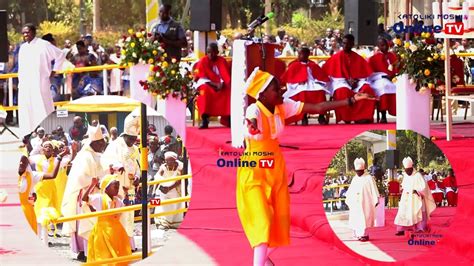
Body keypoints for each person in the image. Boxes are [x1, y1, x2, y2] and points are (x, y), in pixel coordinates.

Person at [236, 67, 375, 265]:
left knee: (279, 224)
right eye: (276, 89)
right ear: (262, 93)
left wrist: (352, 100)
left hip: (275, 168)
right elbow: (249, 122)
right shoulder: (255, 109)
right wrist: (251, 126)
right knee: (262, 221)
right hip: (254, 170)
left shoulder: (282, 106)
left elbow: (318, 108)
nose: (282, 91)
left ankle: (264, 259)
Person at [61, 125, 108, 262]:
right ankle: (86, 251)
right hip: (85, 194)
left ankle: (92, 249)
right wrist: (95, 182)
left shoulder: (96, 155)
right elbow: (79, 177)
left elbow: (101, 172)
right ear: (94, 142)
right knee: (87, 223)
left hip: (96, 193)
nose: (103, 145)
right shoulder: (85, 156)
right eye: (101, 142)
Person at [17, 23, 66, 137]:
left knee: (43, 107)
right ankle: (28, 135)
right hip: (25, 85)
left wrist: (54, 70)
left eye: (27, 32)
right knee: (27, 109)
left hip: (40, 83)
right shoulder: (23, 48)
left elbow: (60, 55)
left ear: (34, 32)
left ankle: (47, 133)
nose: (25, 35)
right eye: (23, 33)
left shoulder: (43, 45)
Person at [101, 113, 140, 250]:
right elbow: (106, 160)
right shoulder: (115, 145)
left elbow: (138, 165)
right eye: (131, 139)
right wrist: (117, 165)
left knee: (129, 215)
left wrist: (137, 177)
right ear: (125, 135)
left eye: (135, 139)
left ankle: (128, 244)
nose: (133, 141)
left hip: (130, 188)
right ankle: (118, 244)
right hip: (117, 186)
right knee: (118, 215)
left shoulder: (135, 149)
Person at [323, 34, 376, 124]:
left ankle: (362, 116)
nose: (345, 46)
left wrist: (357, 80)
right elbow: (331, 74)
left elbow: (363, 74)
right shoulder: (336, 57)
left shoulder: (358, 57)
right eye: (343, 43)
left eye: (347, 44)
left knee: (367, 89)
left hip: (357, 82)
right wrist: (346, 80)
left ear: (352, 44)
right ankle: (346, 117)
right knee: (342, 91)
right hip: (340, 82)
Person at [18, 148, 69, 237]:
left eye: (24, 161)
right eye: (20, 161)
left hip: (28, 209)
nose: (21, 163)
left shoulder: (32, 175)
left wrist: (60, 157)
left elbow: (52, 175)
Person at [82, 175, 131, 264]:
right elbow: (85, 198)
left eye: (118, 186)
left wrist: (126, 194)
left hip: (116, 232)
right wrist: (92, 185)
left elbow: (125, 207)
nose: (117, 188)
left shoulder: (118, 200)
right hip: (102, 232)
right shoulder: (100, 198)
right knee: (104, 257)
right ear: (106, 188)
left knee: (116, 256)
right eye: (115, 186)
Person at [281, 46, 330, 125]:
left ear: (307, 54)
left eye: (301, 54)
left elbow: (321, 77)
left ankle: (321, 115)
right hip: (298, 86)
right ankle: (303, 116)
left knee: (320, 91)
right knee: (302, 92)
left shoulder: (313, 65)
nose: (299, 55)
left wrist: (317, 82)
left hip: (312, 84)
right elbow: (289, 81)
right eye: (299, 53)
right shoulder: (293, 65)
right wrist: (297, 82)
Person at [394, 157, 436, 235]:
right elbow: (404, 185)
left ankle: (419, 228)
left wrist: (417, 191)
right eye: (406, 170)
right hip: (407, 197)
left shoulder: (418, 175)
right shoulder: (406, 175)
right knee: (403, 211)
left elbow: (424, 187)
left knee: (417, 212)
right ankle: (401, 229)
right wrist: (402, 190)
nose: (408, 172)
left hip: (416, 198)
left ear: (412, 168)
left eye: (409, 170)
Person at [194, 42, 232, 129]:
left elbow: (225, 75)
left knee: (229, 90)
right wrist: (214, 84)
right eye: (208, 52)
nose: (210, 54)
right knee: (204, 91)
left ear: (217, 52)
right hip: (207, 84)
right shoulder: (203, 61)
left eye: (212, 52)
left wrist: (221, 84)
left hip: (220, 85)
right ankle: (205, 120)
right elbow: (201, 76)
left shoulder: (221, 60)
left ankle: (228, 118)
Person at [345, 158, 379, 241]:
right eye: (357, 171)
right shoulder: (355, 179)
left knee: (365, 218)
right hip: (356, 203)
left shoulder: (369, 178)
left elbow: (374, 190)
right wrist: (349, 200)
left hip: (366, 203)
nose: (359, 173)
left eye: (360, 171)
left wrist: (376, 199)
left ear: (363, 169)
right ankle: (359, 234)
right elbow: (350, 192)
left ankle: (364, 235)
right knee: (358, 218)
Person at [368, 38, 398, 123]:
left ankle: (400, 113)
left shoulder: (392, 56)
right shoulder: (373, 58)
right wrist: (383, 76)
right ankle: (383, 115)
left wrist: (393, 76)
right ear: (378, 46)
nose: (385, 47)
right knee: (384, 86)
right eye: (382, 45)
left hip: (393, 79)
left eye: (386, 45)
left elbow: (397, 69)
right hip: (379, 80)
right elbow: (370, 75)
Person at [154, 151, 184, 229]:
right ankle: (163, 222)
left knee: (176, 206)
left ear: (175, 160)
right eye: (166, 160)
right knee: (164, 206)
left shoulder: (180, 166)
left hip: (176, 189)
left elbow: (179, 180)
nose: (168, 162)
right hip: (165, 190)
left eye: (170, 160)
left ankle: (174, 223)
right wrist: (155, 190)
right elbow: (157, 177)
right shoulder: (163, 166)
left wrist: (169, 188)